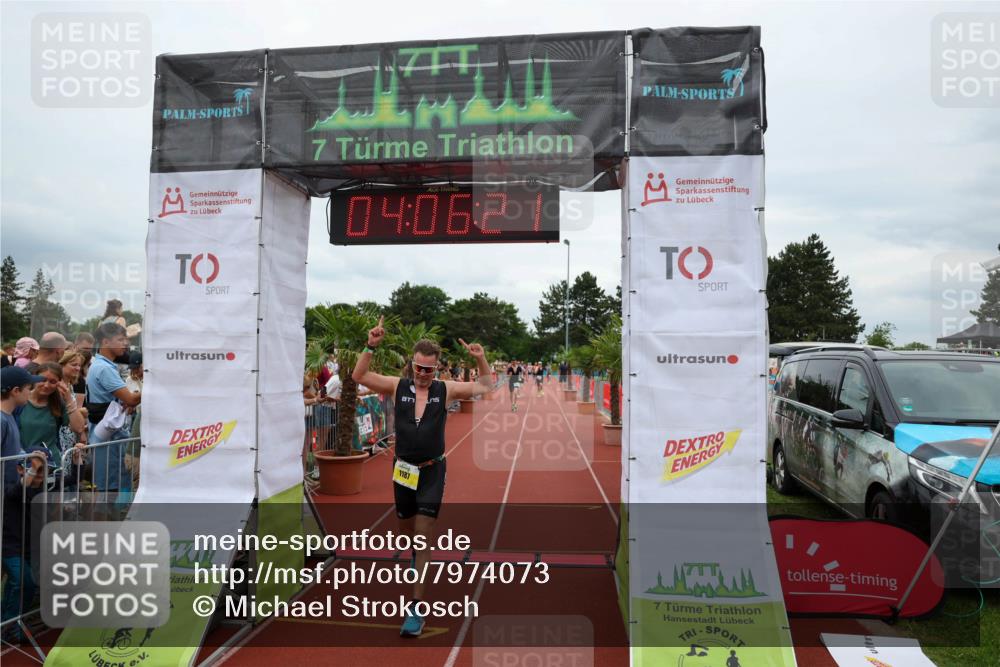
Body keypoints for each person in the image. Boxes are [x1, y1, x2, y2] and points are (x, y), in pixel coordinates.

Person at [352, 317, 493, 637]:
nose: (423, 374)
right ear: (411, 365)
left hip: (432, 469)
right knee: (406, 533)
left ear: (438, 369)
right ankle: (418, 559)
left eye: (429, 369)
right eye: (418, 368)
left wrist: (480, 358)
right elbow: (358, 375)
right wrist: (370, 345)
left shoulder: (446, 389)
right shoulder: (396, 385)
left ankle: (415, 608)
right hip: (403, 469)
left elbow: (485, 386)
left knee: (422, 534)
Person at [1, 366, 47, 644]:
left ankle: (9, 624)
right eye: (28, 388)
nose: (31, 392)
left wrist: (31, 459)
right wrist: (29, 472)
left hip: (13, 504)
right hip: (6, 507)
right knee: (22, 578)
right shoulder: (2, 421)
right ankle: (8, 625)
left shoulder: (9, 419)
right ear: (15, 391)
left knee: (22, 577)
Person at [87, 322, 141, 496]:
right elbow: (131, 399)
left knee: (110, 491)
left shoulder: (102, 365)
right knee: (108, 493)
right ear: (105, 342)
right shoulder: (104, 368)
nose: (125, 343)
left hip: (107, 434)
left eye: (126, 339)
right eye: (120, 339)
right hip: (108, 438)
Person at [17, 362, 86, 471]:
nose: (46, 385)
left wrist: (68, 398)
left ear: (59, 383)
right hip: (22, 463)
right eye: (42, 380)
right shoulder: (20, 401)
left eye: (52, 382)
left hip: (51, 464)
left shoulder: (58, 404)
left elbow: (79, 428)